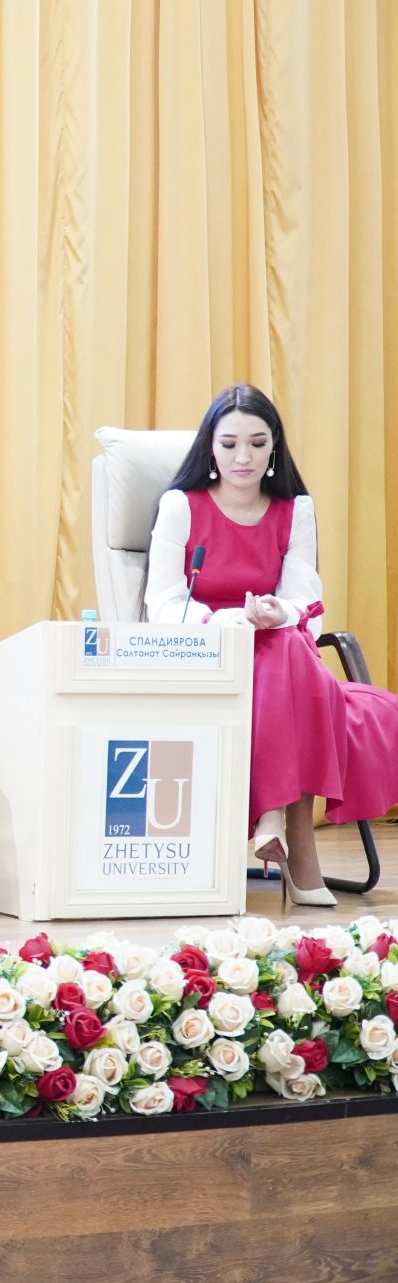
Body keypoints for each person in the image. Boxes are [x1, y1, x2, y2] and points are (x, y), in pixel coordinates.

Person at [144, 383, 398, 906]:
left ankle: (273, 820)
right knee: (289, 652)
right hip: (207, 648)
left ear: (274, 447)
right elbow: (163, 603)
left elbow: (301, 595)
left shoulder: (294, 508)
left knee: (287, 643)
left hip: (278, 645)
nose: (244, 457)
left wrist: (275, 612)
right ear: (210, 448)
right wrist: (231, 620)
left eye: (258, 444)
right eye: (230, 443)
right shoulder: (180, 505)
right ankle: (295, 850)